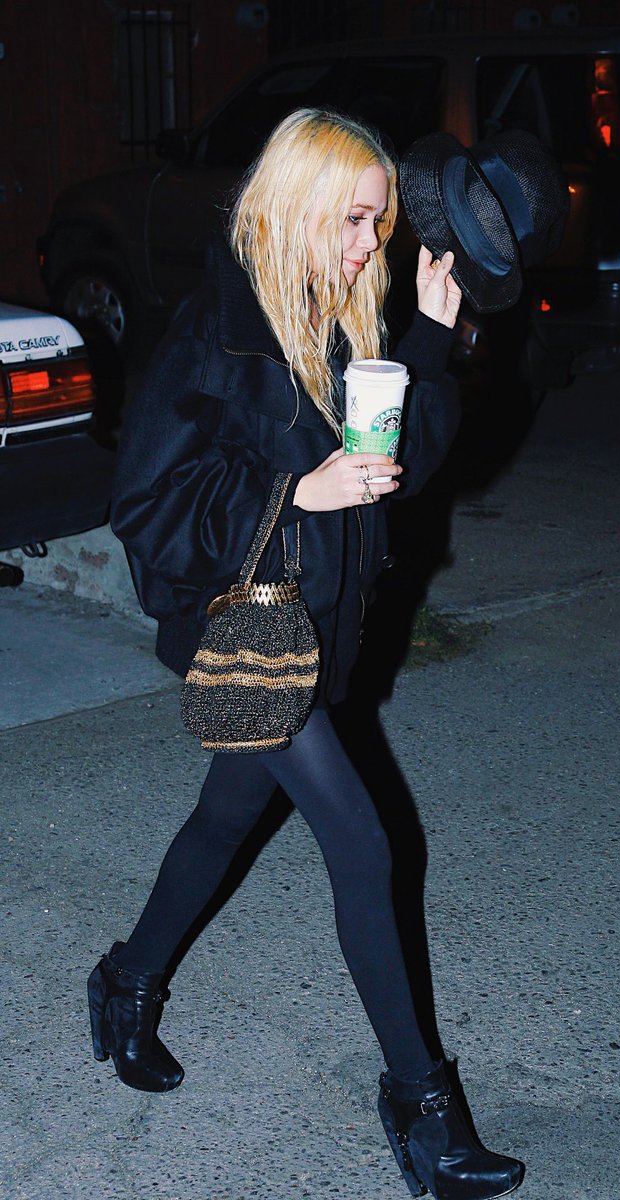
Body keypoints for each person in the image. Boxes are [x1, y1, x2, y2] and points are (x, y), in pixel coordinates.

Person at [89, 108, 524, 1200]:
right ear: (295, 207)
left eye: (379, 224)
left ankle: (126, 982)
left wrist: (429, 340)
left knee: (225, 818)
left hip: (317, 628)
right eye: (353, 220)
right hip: (247, 626)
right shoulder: (216, 332)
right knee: (363, 844)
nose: (368, 244)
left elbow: (403, 468)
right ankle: (422, 1108)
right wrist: (293, 492)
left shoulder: (341, 317)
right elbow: (145, 504)